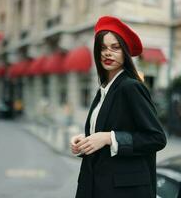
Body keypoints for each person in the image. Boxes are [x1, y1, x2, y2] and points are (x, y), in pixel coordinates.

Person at [70, 16, 167, 198]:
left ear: (125, 53)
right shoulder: (104, 89)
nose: (108, 53)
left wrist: (109, 138)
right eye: (103, 48)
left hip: (122, 191)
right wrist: (87, 141)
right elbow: (112, 129)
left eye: (115, 48)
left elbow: (156, 138)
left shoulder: (130, 87)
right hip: (95, 185)